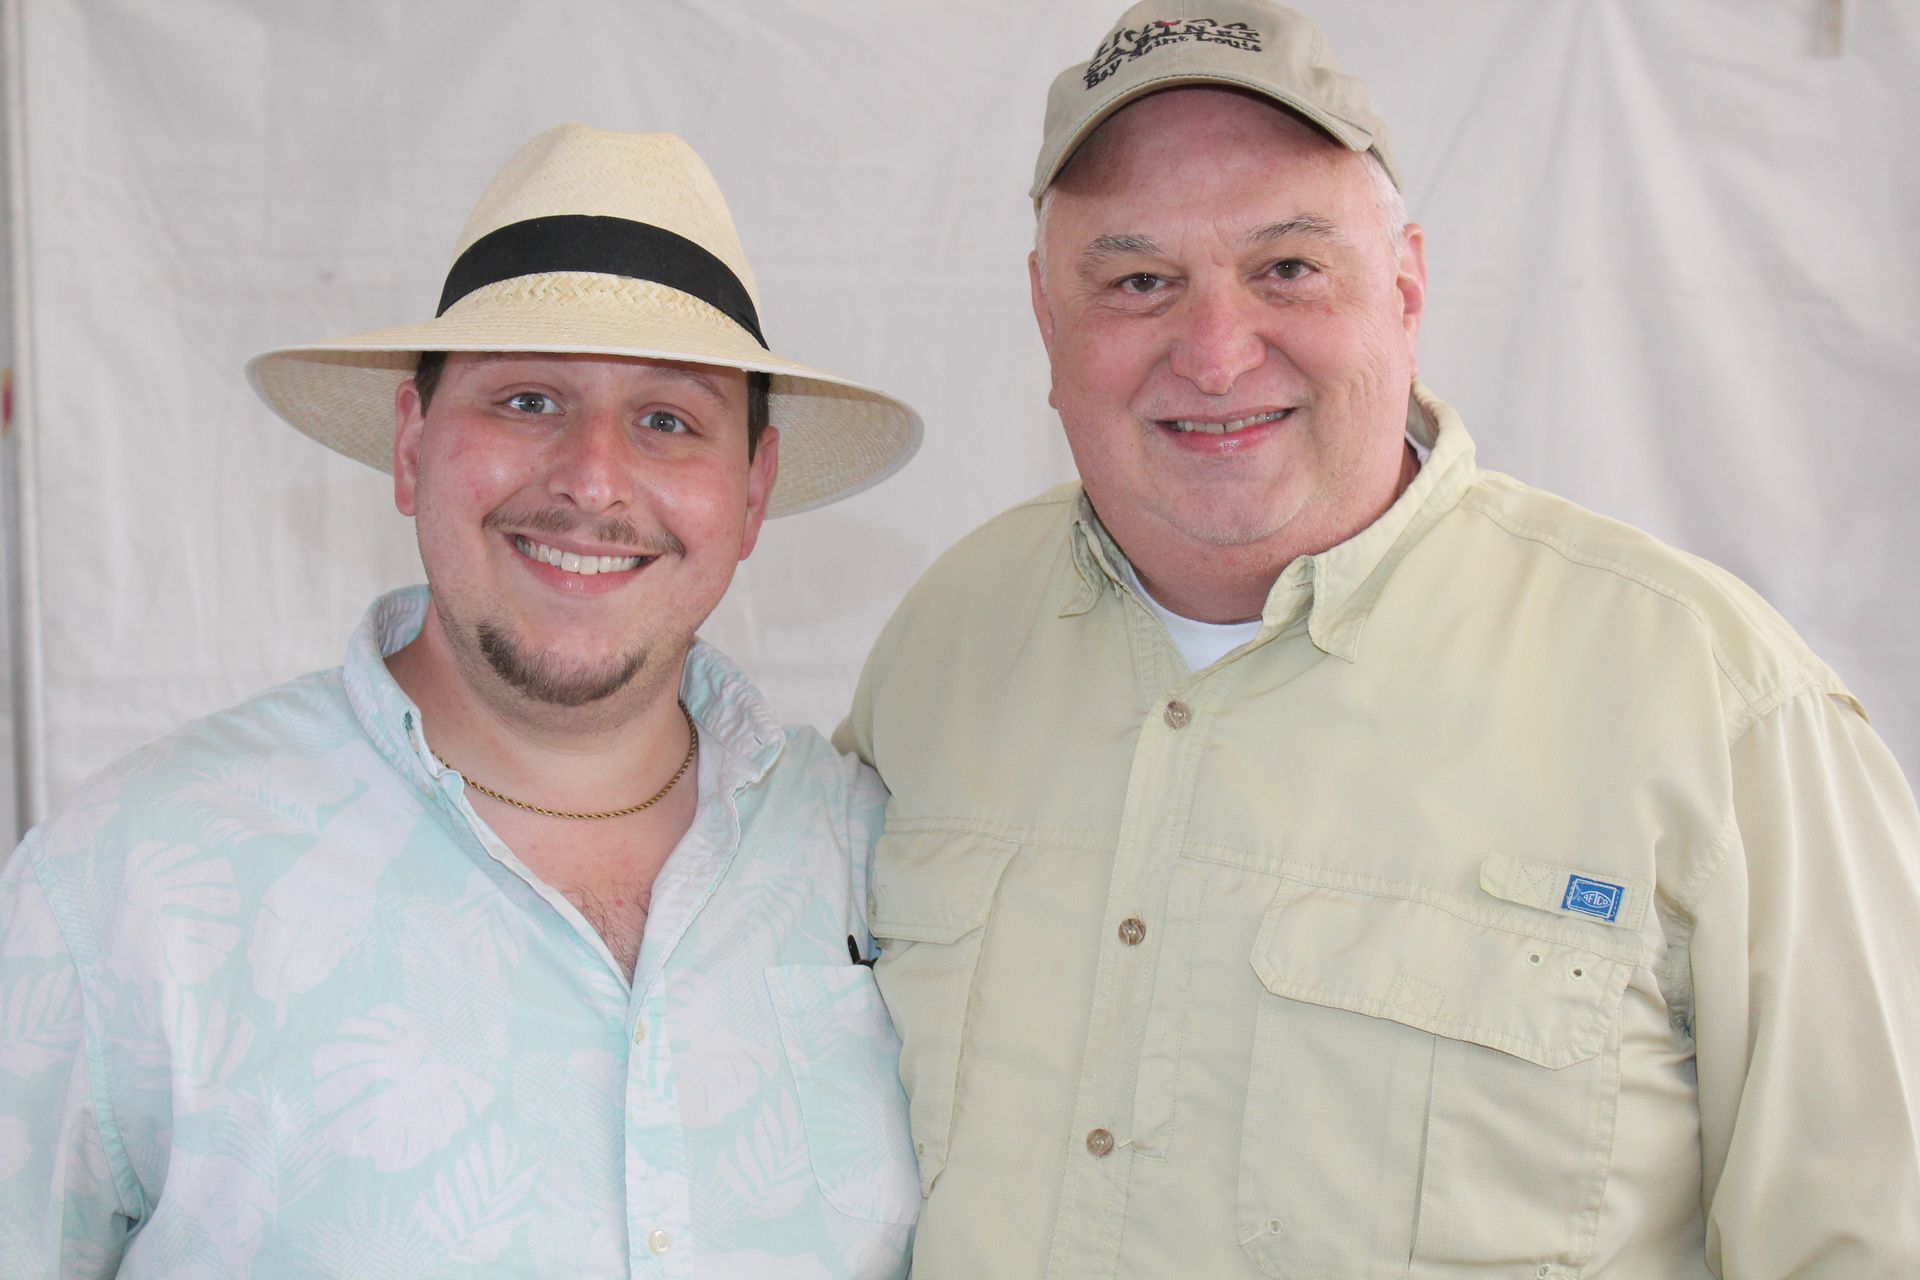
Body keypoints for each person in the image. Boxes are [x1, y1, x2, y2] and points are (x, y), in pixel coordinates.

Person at [835, 2, 1920, 1275]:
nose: (1217, 353)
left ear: (1405, 288)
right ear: (1045, 317)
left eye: (1288, 268)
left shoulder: (1715, 702)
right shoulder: (946, 642)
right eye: (1139, 282)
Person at [0, 124, 923, 1277]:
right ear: (410, 445)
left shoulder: (880, 864)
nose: (592, 477)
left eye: (667, 418)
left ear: (751, 492)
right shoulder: (126, 881)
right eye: (528, 398)